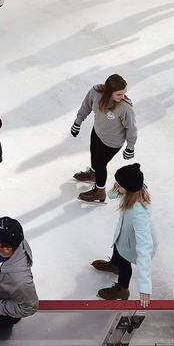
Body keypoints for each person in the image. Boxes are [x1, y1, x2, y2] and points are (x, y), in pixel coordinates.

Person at [91, 163, 155, 304]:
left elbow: (145, 247)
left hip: (134, 244)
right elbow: (112, 195)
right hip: (124, 236)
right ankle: (114, 264)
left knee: (124, 262)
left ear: (128, 187)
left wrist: (145, 286)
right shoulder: (132, 191)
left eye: (119, 185)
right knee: (117, 248)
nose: (116, 185)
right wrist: (117, 187)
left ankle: (122, 288)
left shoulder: (139, 212)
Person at [71, 74, 137, 203]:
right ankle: (94, 174)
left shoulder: (125, 107)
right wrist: (77, 122)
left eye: (124, 93)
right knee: (94, 156)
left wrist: (130, 147)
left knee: (101, 163)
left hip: (113, 142)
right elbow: (86, 106)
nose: (122, 96)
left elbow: (131, 128)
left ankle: (99, 192)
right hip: (97, 132)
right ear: (108, 92)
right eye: (119, 94)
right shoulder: (95, 93)